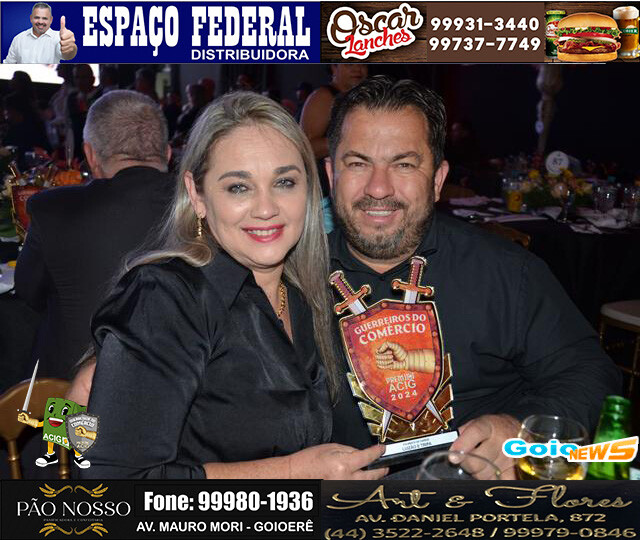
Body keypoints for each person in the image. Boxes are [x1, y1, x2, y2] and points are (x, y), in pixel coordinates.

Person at [325, 76, 621, 479]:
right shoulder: (284, 278)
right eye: (358, 163)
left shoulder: (507, 272)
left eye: (404, 164)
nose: (379, 188)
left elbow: (590, 374)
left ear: (437, 180)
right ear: (331, 175)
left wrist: (518, 430)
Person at [80, 92, 386, 479]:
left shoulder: (307, 293)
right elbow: (113, 482)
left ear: (309, 190)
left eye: (285, 182)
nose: (266, 208)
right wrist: (293, 473)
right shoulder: (165, 299)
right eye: (238, 187)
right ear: (197, 195)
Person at [14, 90, 175, 382]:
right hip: (182, 393)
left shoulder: (52, 209)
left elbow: (27, 292)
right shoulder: (206, 208)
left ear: (89, 155)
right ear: (167, 153)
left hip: (70, 396)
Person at [300, 65, 368, 197]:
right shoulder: (324, 96)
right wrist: (351, 140)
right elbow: (306, 147)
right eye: (350, 63)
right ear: (334, 68)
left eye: (363, 63)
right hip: (323, 193)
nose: (357, 69)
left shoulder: (362, 99)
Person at [3, 3, 77, 63]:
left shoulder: (58, 37)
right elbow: (8, 63)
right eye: (37, 18)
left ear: (51, 20)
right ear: (31, 18)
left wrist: (71, 48)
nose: (40, 22)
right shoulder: (18, 39)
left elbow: (67, 55)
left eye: (44, 18)